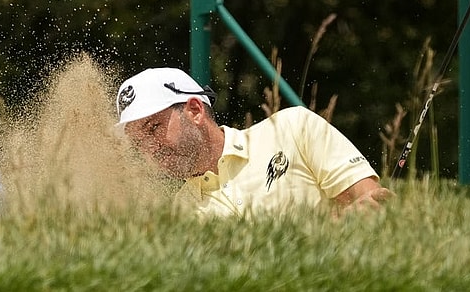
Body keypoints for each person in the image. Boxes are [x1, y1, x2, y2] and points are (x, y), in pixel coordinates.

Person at [115, 67, 392, 217]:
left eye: (153, 128)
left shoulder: (293, 127)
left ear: (195, 111)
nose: (150, 148)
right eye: (138, 143)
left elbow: (374, 200)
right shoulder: (179, 214)